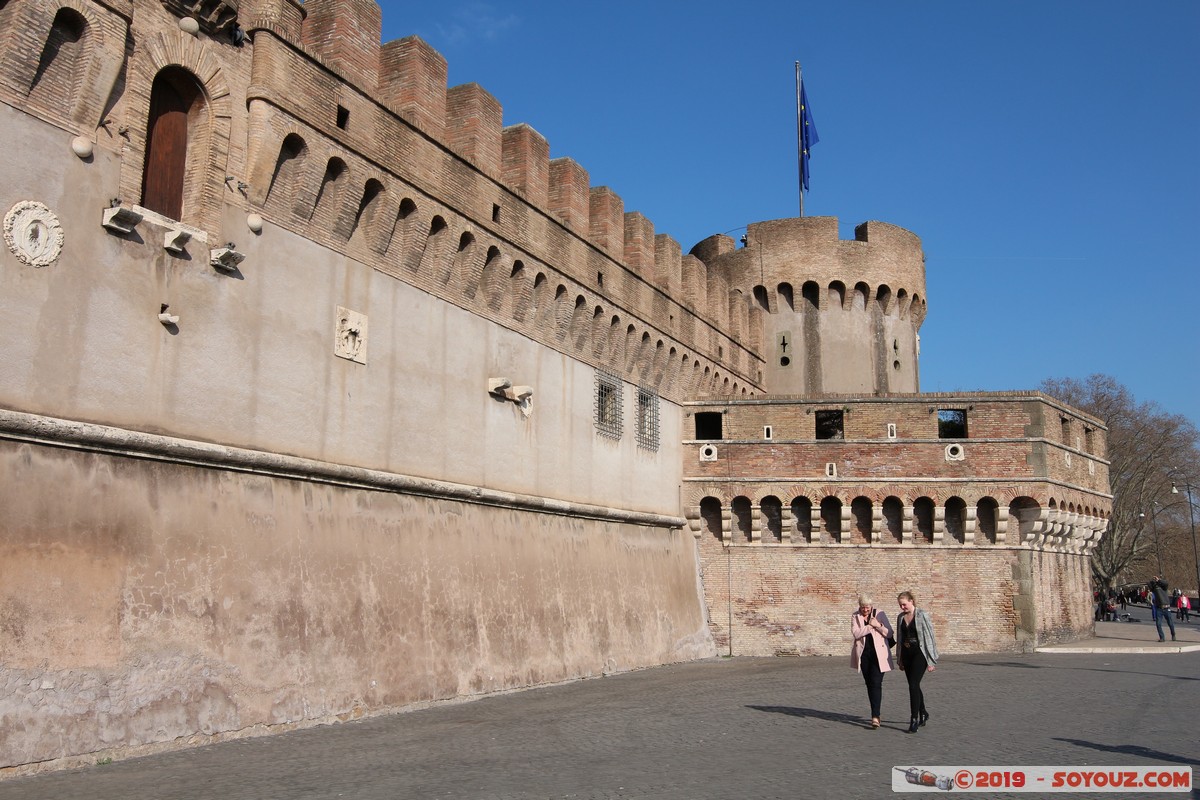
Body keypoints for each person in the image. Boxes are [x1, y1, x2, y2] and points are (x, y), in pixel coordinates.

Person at [896, 590, 939, 734]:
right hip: (907, 654)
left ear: (911, 601)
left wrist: (931, 660)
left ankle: (914, 719)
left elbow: (929, 637)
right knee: (913, 685)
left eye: (904, 604)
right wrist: (900, 658)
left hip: (919, 653)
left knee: (913, 685)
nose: (902, 608)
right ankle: (924, 712)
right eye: (900, 605)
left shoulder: (922, 615)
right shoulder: (900, 618)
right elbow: (900, 638)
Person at [850, 594, 894, 729]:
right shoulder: (855, 616)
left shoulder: (879, 613)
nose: (865, 610)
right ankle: (875, 712)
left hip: (879, 655)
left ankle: (875, 715)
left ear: (871, 606)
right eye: (863, 607)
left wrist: (878, 625)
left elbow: (889, 633)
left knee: (876, 683)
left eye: (867, 607)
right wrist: (870, 626)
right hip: (864, 655)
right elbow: (856, 633)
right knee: (869, 684)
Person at [1148, 576, 1176, 642]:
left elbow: (1166, 583)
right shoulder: (1154, 588)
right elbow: (1149, 584)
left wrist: (1159, 580)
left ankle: (1173, 634)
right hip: (1159, 608)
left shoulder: (1164, 587)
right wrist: (1152, 581)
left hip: (1166, 607)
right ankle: (1162, 637)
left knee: (1170, 623)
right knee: (1158, 624)